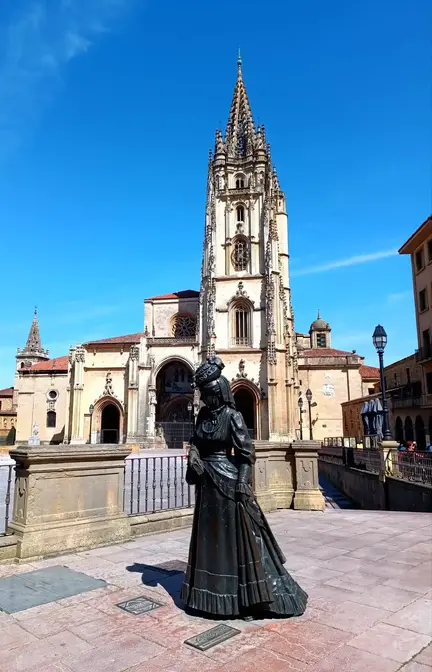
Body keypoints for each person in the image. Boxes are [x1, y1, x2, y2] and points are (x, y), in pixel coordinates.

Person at [180, 355, 308, 620]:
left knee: (233, 542)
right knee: (210, 540)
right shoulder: (203, 415)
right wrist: (193, 456)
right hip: (206, 486)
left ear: (219, 393)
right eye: (204, 395)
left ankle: (241, 600)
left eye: (209, 395)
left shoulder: (232, 416)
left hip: (227, 485)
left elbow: (246, 454)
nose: (206, 400)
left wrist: (241, 483)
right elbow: (195, 441)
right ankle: (206, 597)